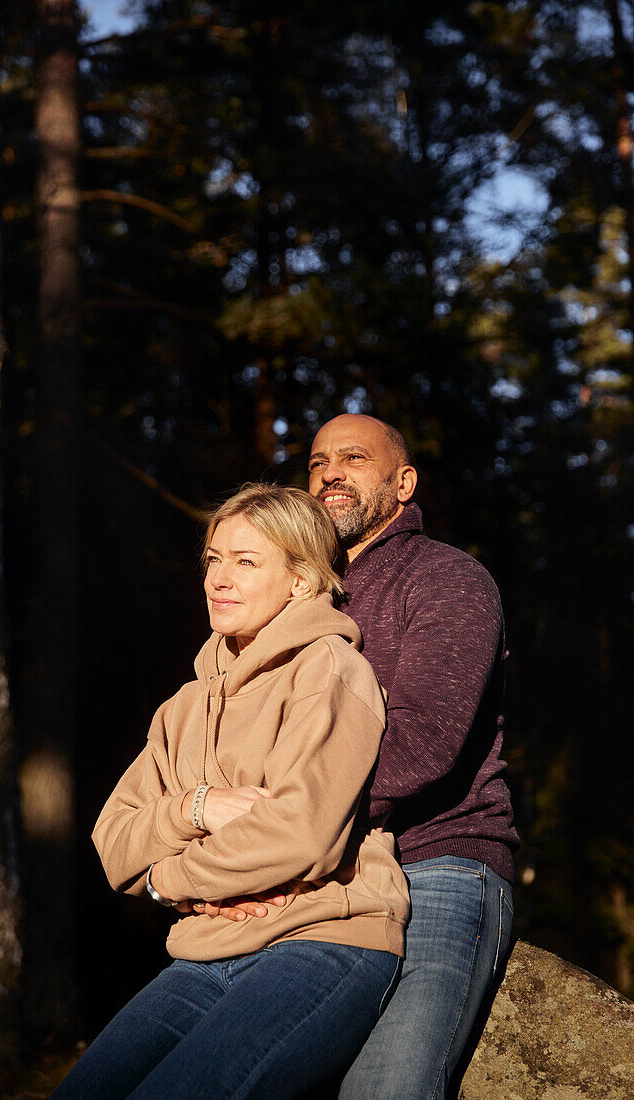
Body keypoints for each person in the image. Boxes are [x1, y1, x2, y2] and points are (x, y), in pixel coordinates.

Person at [52, 483, 410, 1100]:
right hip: (207, 949)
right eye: (214, 559)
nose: (219, 578)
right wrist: (196, 807)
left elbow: (300, 838)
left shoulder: (328, 669)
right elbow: (112, 840)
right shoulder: (185, 705)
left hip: (322, 938)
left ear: (300, 581)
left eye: (247, 562)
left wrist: (171, 883)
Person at [206, 414, 519, 1099]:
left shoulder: (448, 579)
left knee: (386, 1087)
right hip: (317, 869)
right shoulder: (293, 597)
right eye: (317, 462)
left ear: (404, 482)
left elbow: (423, 743)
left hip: (435, 860)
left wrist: (287, 837)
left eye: (353, 457)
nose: (329, 474)